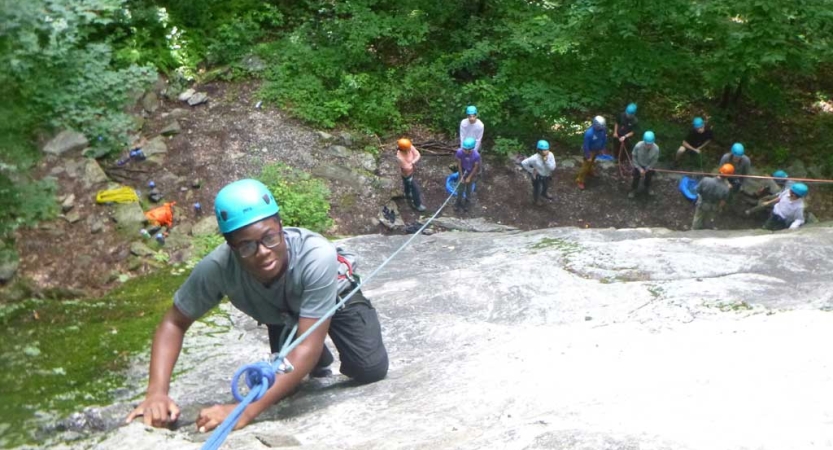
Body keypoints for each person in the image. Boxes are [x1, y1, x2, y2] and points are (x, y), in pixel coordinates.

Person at [125, 179, 388, 432]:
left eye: (270, 238)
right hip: (282, 314)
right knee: (286, 388)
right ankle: (313, 357)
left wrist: (244, 410)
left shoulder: (316, 255)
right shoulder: (218, 267)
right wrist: (156, 393)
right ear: (230, 246)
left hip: (336, 299)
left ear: (281, 227)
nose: (263, 252)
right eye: (247, 246)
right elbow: (173, 322)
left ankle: (317, 351)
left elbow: (307, 346)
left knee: (369, 368)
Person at [692, 164, 734, 230]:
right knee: (708, 221)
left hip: (702, 204)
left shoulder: (705, 180)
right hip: (713, 207)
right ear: (729, 176)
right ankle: (705, 233)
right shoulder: (726, 189)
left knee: (697, 219)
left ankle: (694, 232)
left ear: (719, 171)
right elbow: (722, 202)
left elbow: (697, 190)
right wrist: (719, 208)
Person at [521, 140, 556, 206]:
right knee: (537, 188)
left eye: (546, 150)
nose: (545, 152)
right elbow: (523, 163)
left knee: (546, 185)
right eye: (542, 150)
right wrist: (531, 170)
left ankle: (544, 193)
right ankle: (536, 200)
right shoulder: (534, 158)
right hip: (538, 176)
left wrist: (546, 161)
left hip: (547, 175)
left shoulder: (551, 155)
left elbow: (552, 168)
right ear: (538, 150)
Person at [576, 116, 607, 190]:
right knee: (585, 166)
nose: (602, 127)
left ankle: (590, 171)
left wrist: (602, 148)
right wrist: (588, 155)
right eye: (600, 126)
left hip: (597, 149)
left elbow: (604, 138)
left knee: (592, 162)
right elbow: (586, 145)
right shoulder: (589, 133)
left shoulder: (603, 130)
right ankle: (580, 180)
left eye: (602, 126)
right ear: (596, 125)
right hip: (589, 151)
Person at [396, 138, 426, 212]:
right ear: (403, 149)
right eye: (408, 149)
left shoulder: (410, 147)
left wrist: (413, 161)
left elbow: (417, 154)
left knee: (407, 184)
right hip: (407, 175)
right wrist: (412, 163)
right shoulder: (400, 157)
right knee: (416, 189)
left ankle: (407, 193)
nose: (410, 149)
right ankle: (417, 204)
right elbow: (407, 168)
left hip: (411, 171)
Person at [629, 131, 660, 198]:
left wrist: (648, 168)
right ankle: (633, 189)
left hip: (649, 166)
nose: (648, 146)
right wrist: (639, 168)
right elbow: (634, 157)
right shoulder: (638, 146)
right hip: (638, 164)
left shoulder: (656, 149)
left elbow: (654, 160)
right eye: (647, 144)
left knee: (649, 177)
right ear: (644, 141)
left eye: (650, 144)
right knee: (636, 177)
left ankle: (647, 187)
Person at [454, 137, 481, 212]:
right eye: (464, 149)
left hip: (471, 171)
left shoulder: (476, 155)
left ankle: (467, 201)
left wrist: (469, 177)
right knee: (460, 188)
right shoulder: (459, 152)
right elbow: (459, 164)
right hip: (463, 169)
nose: (464, 151)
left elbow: (475, 167)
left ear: (471, 149)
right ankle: (458, 201)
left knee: (469, 188)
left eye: (466, 150)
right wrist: (461, 175)